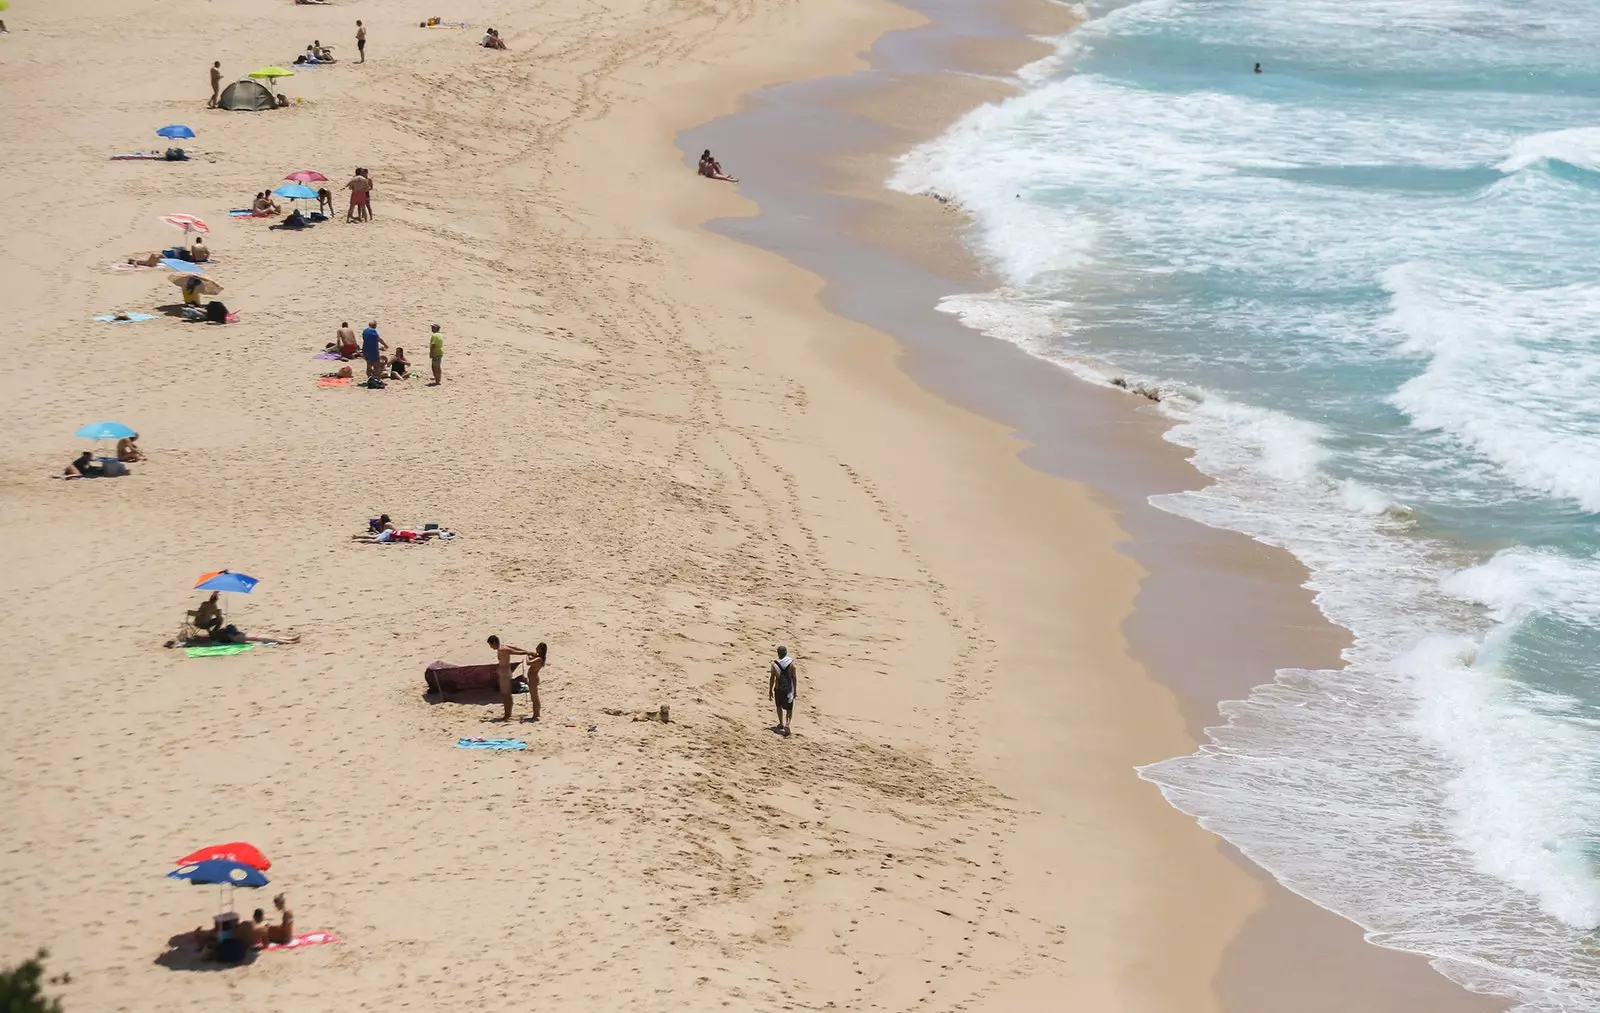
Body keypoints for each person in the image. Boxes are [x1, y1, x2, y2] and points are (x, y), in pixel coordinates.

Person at [487, 635, 536, 722]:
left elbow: (514, 652)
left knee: (505, 694)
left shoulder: (502, 649)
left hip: (505, 673)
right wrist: (527, 651)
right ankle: (508, 713)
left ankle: (507, 714)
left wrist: (528, 653)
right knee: (506, 693)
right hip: (505, 672)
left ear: (494, 643)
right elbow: (516, 648)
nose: (491, 647)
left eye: (491, 645)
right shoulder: (503, 646)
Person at [769, 646, 796, 736]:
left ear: (778, 653)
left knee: (779, 706)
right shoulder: (791, 664)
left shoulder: (774, 664)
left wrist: (770, 690)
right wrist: (795, 690)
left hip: (778, 688)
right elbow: (794, 677)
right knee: (789, 708)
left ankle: (781, 723)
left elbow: (772, 678)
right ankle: (787, 724)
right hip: (788, 689)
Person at [524, 642, 548, 721]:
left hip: (533, 679)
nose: (536, 648)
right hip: (533, 678)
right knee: (534, 697)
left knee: (534, 698)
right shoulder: (539, 657)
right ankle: (536, 713)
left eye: (537, 647)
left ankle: (536, 714)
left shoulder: (539, 659)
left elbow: (528, 662)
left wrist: (527, 655)